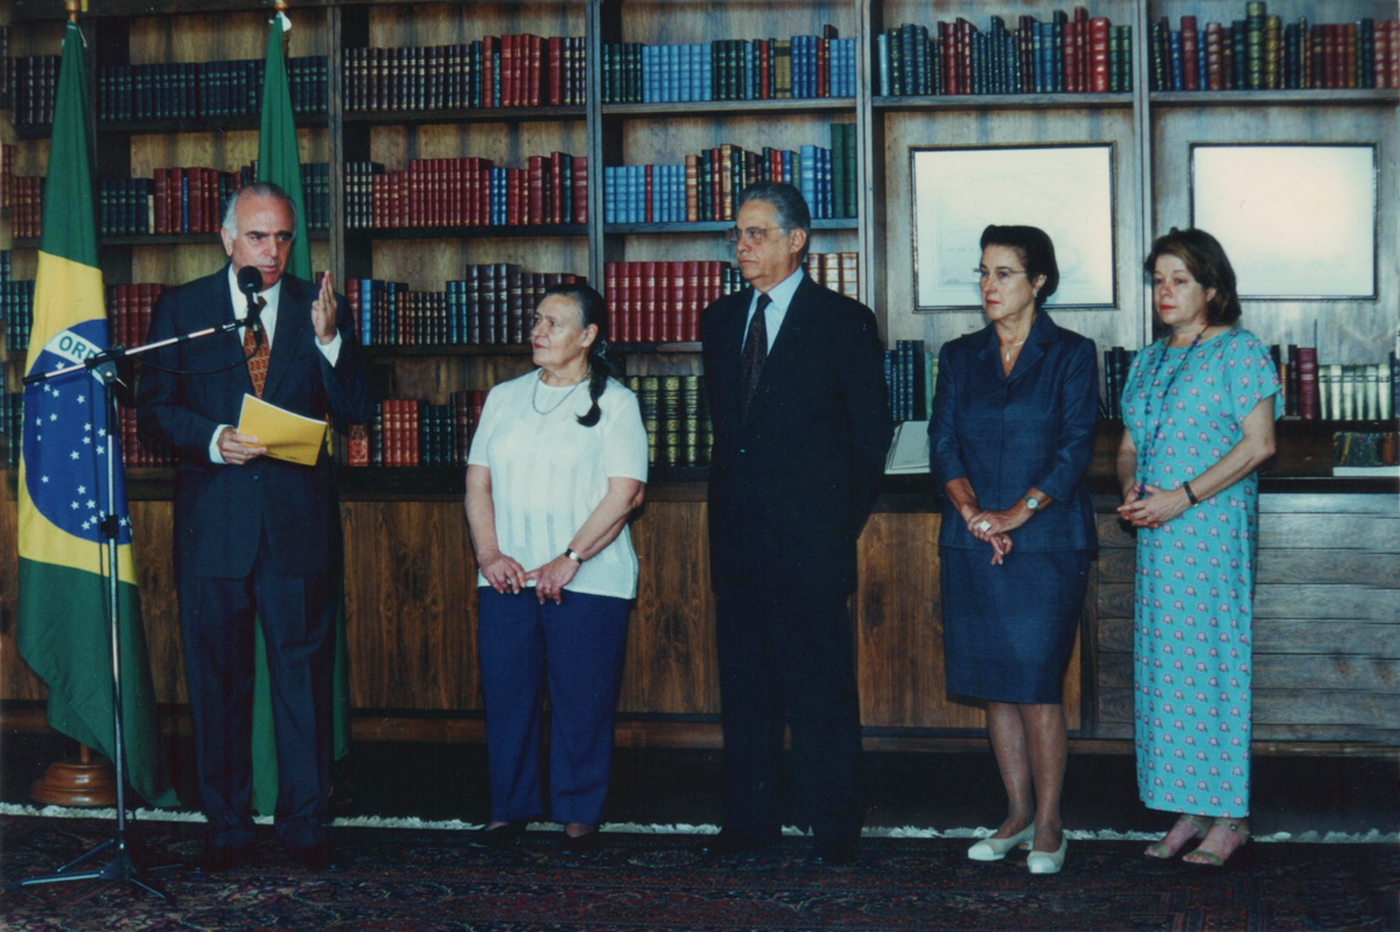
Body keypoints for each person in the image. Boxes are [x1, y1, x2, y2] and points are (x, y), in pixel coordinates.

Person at [138, 182, 374, 871]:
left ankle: (304, 826)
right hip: (214, 529)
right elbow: (155, 411)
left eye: (282, 239)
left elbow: (357, 405)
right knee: (217, 684)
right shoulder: (184, 308)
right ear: (226, 239)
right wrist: (212, 438)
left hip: (295, 532)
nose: (271, 253)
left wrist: (330, 342)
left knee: (301, 687)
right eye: (257, 237)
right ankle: (228, 827)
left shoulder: (316, 307)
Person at [699, 181, 893, 866]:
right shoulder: (719, 321)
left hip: (812, 545)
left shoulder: (843, 321)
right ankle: (749, 824)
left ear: (796, 240)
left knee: (819, 689)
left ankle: (833, 825)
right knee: (746, 691)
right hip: (737, 543)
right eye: (736, 235)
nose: (741, 246)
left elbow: (870, 440)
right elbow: (726, 435)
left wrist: (833, 527)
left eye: (755, 234)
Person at [927, 225, 1098, 876]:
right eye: (982, 272)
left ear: (1038, 283)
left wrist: (1015, 515)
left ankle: (1052, 822)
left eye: (1002, 273)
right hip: (973, 540)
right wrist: (974, 515)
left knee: (1034, 687)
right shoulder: (959, 354)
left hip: (1048, 542)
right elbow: (943, 445)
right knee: (996, 687)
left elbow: (1074, 449)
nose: (988, 286)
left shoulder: (1071, 354)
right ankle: (1017, 814)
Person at [464, 283, 647, 852]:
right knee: (507, 693)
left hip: (588, 578)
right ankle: (509, 807)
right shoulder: (504, 396)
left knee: (581, 697)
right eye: (537, 320)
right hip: (507, 576)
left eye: (554, 323)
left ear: (589, 336)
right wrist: (490, 555)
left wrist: (569, 560)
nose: (538, 331)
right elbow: (478, 480)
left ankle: (578, 812)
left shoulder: (616, 402)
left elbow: (626, 495)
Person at [1117, 228, 1277, 868]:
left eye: (1180, 280)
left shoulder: (1239, 352)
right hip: (1157, 538)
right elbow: (1130, 443)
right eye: (1158, 279)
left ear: (1213, 289)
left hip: (1209, 533)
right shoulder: (1149, 360)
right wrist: (1131, 485)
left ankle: (1231, 817)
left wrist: (1182, 496)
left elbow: (1258, 443)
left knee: (1212, 668)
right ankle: (1190, 808)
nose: (1166, 291)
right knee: (1167, 672)